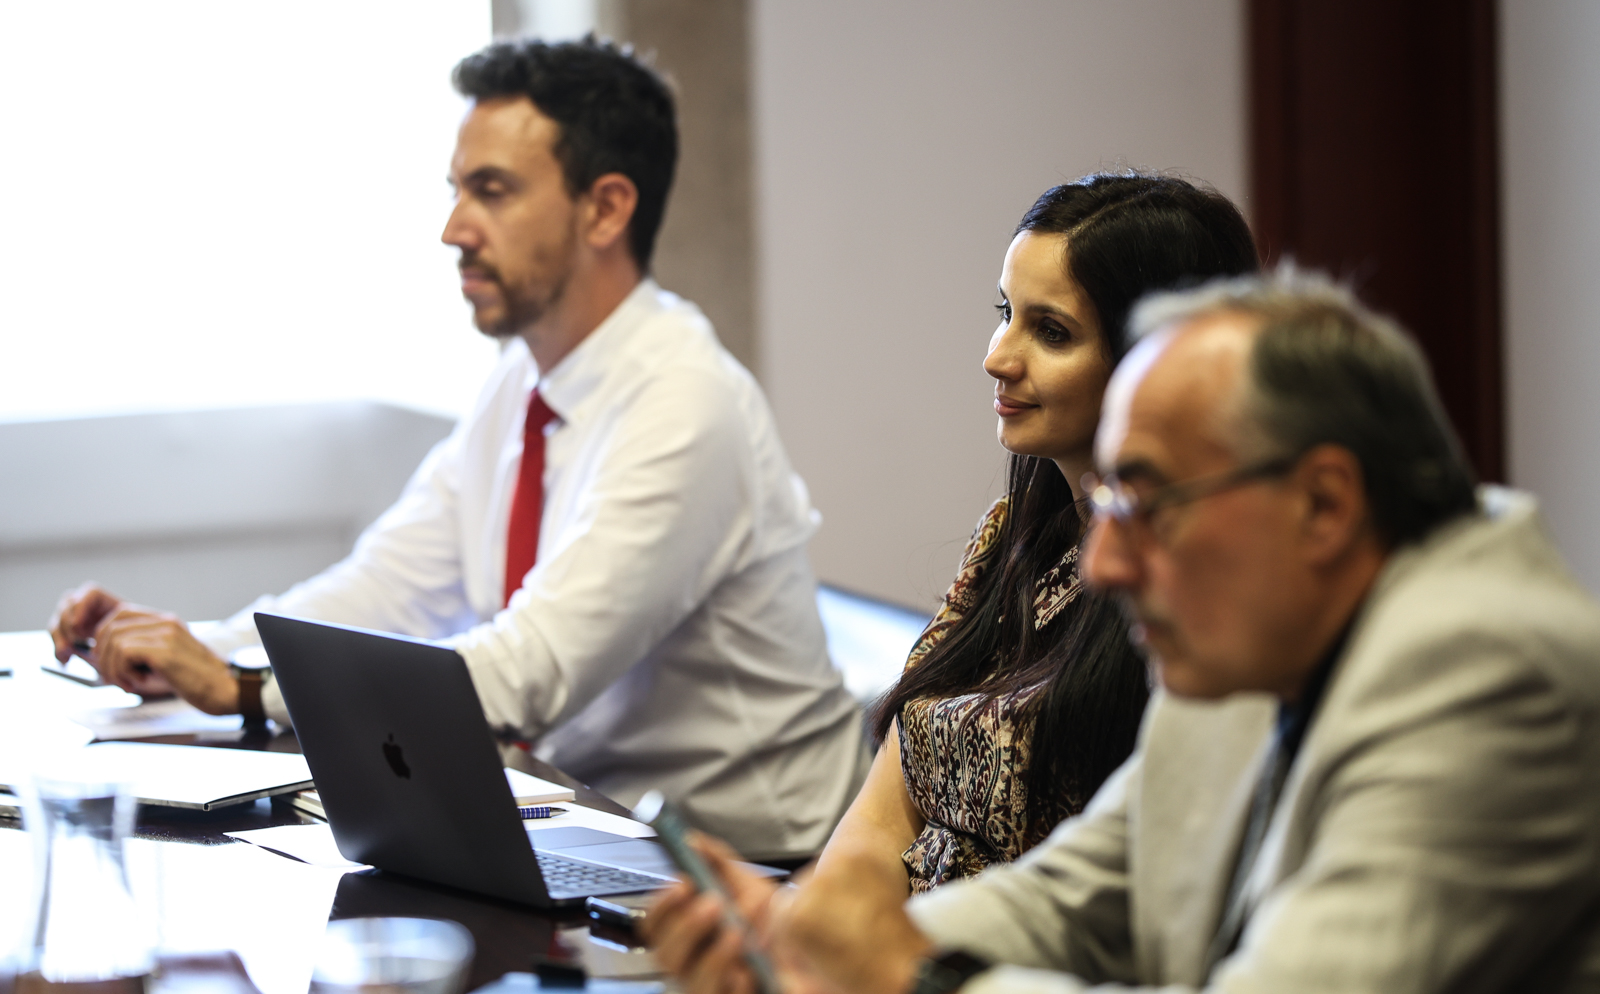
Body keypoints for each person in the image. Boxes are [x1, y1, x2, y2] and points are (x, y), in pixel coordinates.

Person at [644, 267, 1600, 992]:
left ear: (1323, 504)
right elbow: (1075, 899)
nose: (1101, 565)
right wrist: (808, 942)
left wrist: (909, 978)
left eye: (1145, 503)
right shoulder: (1258, 639)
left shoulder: (1492, 671)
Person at [47, 37, 867, 861]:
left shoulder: (687, 400)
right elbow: (382, 591)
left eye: (493, 191)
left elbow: (524, 671)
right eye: (455, 190)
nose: (452, 229)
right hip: (592, 824)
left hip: (754, 869)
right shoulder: (521, 383)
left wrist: (248, 689)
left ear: (607, 208)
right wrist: (191, 650)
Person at [816, 174, 1258, 894]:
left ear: (1153, 361)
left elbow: (1095, 905)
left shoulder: (1195, 590)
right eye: (1005, 312)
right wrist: (803, 942)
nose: (998, 356)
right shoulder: (1015, 535)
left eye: (1050, 331)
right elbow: (883, 816)